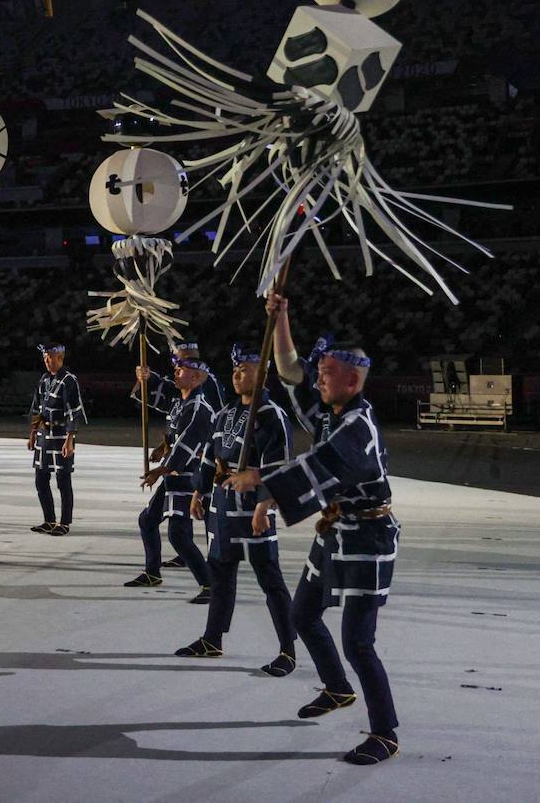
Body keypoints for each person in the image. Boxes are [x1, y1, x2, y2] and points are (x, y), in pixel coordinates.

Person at [223, 294, 402, 767]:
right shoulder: (328, 410)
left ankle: (385, 732)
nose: (318, 380)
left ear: (353, 378)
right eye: (319, 374)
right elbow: (288, 370)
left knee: (358, 642)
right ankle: (337, 688)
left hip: (367, 540)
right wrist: (281, 317)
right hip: (335, 533)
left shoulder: (358, 426)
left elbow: (321, 464)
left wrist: (259, 480)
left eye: (326, 375)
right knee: (303, 615)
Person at [177, 344, 296, 679]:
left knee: (269, 579)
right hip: (223, 504)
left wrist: (263, 505)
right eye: (236, 369)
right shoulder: (225, 412)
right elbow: (208, 454)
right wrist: (199, 490)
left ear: (263, 374)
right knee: (220, 573)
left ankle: (288, 649)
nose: (238, 374)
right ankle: (212, 639)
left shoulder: (271, 415)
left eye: (245, 368)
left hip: (253, 509)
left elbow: (277, 466)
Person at [124, 354, 214, 600]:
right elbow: (169, 429)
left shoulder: (199, 409)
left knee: (178, 535)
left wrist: (159, 471)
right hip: (173, 475)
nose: (175, 371)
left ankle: (209, 585)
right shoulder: (180, 402)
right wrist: (145, 379)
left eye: (181, 369)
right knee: (147, 521)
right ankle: (153, 572)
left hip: (188, 478)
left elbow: (186, 446)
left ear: (196, 377)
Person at [27, 343, 86, 536]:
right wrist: (33, 433)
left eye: (49, 358)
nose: (47, 362)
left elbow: (73, 412)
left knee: (63, 480)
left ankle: (65, 522)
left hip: (61, 436)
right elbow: (36, 408)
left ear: (60, 358)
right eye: (45, 359)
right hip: (44, 436)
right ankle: (49, 519)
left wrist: (70, 439)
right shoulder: (44, 379)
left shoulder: (69, 380)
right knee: (40, 479)